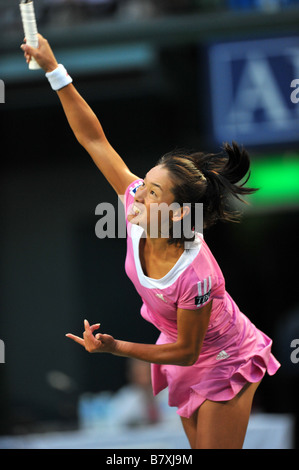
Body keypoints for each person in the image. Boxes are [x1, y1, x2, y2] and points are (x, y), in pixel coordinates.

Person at [21, 35, 280, 449]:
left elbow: (187, 352)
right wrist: (54, 68)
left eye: (153, 192)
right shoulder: (137, 207)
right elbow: (94, 140)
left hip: (224, 358)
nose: (138, 194)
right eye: (144, 184)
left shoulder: (197, 276)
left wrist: (115, 347)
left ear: (178, 212)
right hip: (180, 351)